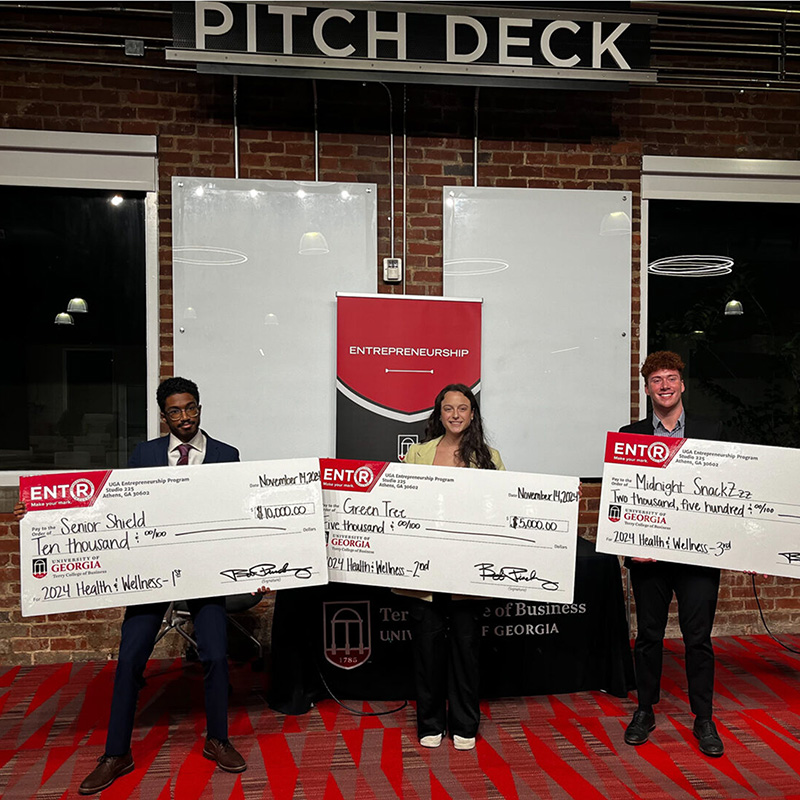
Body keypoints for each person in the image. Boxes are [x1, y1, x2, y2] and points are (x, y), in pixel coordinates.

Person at [15, 377, 248, 794]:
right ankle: (116, 753)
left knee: (214, 654)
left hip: (204, 570)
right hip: (152, 572)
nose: (185, 417)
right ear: (164, 416)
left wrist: (258, 571)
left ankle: (218, 739)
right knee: (130, 658)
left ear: (199, 408)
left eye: (191, 408)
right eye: (175, 411)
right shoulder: (145, 454)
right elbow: (110, 504)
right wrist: (40, 511)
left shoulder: (228, 456)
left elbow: (241, 516)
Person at [620, 352, 725, 757]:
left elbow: (730, 492)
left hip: (698, 557)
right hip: (650, 559)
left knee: (698, 640)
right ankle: (645, 710)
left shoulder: (710, 432)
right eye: (656, 380)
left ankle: (704, 718)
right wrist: (631, 544)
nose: (664, 385)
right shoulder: (629, 435)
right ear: (647, 389)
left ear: (682, 385)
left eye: (671, 378)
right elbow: (623, 497)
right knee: (648, 637)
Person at [401, 383, 504, 752]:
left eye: (463, 408)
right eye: (449, 408)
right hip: (425, 571)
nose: (456, 415)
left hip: (467, 572)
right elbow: (401, 506)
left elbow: (501, 512)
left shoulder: (489, 457)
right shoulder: (417, 454)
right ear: (439, 414)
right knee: (427, 651)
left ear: (472, 414)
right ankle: (430, 722)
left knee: (465, 650)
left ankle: (464, 723)